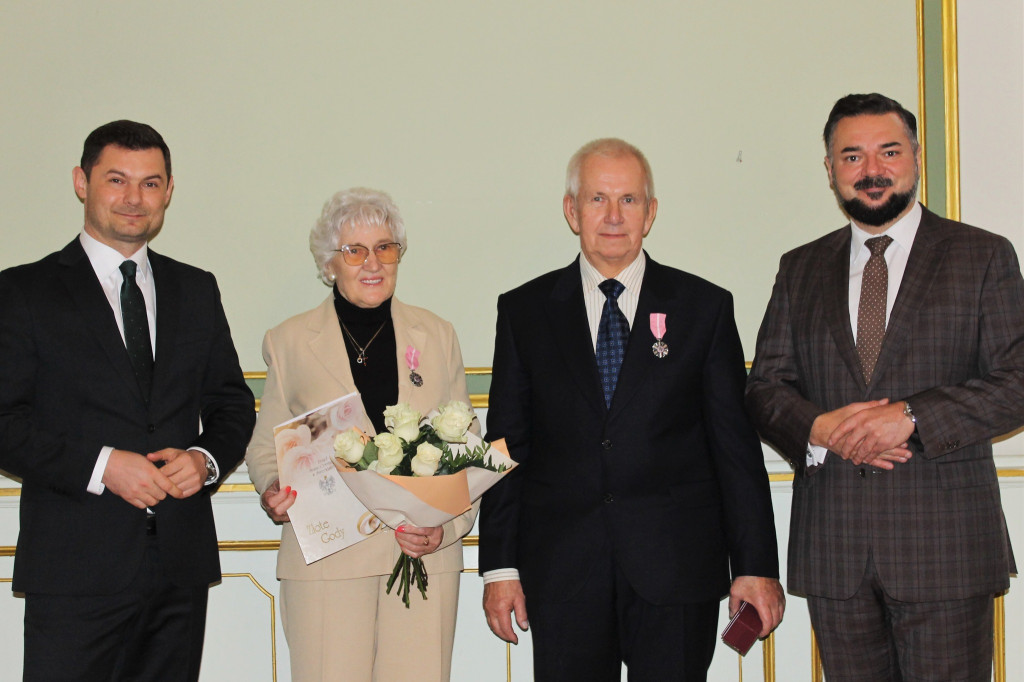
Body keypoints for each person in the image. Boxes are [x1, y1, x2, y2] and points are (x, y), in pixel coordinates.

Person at [479, 138, 784, 681]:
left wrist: (756, 565)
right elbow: (506, 446)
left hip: (677, 572)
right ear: (572, 211)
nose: (613, 216)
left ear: (651, 212)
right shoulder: (525, 312)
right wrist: (499, 567)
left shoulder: (703, 308)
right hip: (563, 573)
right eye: (597, 199)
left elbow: (734, 450)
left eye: (629, 200)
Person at [745, 93, 1024, 681]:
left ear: (916, 158)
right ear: (829, 170)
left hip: (945, 553)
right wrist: (819, 430)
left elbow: (1018, 381)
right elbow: (765, 388)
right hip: (835, 554)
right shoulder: (800, 268)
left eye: (888, 151)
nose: (871, 169)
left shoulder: (982, 256)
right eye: (851, 156)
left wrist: (913, 417)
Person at [0, 120, 256, 681]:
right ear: (81, 182)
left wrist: (204, 460)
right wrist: (103, 467)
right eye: (117, 180)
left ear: (168, 191)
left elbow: (231, 404)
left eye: (150, 183)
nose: (133, 198)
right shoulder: (22, 292)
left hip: (178, 569)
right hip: (73, 572)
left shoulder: (196, 288)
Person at [245, 187, 478, 681]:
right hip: (327, 562)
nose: (373, 262)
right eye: (355, 250)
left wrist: (447, 528)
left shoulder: (437, 336)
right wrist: (272, 489)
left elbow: (468, 450)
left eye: (385, 247)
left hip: (422, 555)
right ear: (329, 263)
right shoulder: (288, 342)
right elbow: (267, 446)